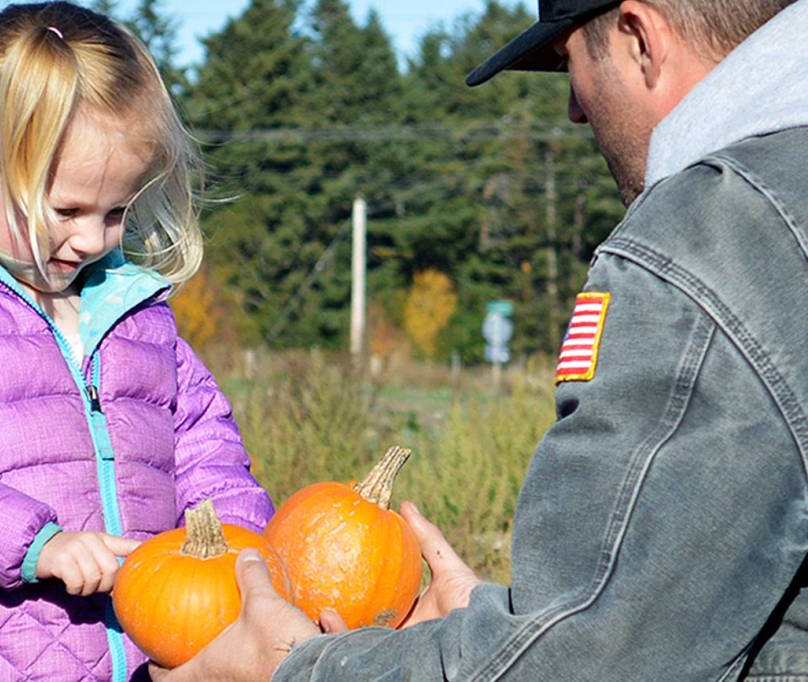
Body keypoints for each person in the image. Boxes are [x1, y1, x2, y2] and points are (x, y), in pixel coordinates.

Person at [153, 0, 808, 679]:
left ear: (640, 37)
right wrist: (512, 629)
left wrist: (294, 668)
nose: (574, 112)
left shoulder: (709, 238)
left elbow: (588, 661)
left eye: (569, 65)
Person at [0, 2, 273, 680]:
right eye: (65, 210)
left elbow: (207, 448)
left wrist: (242, 552)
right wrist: (36, 543)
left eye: (117, 210)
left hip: (150, 653)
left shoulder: (134, 315)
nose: (93, 239)